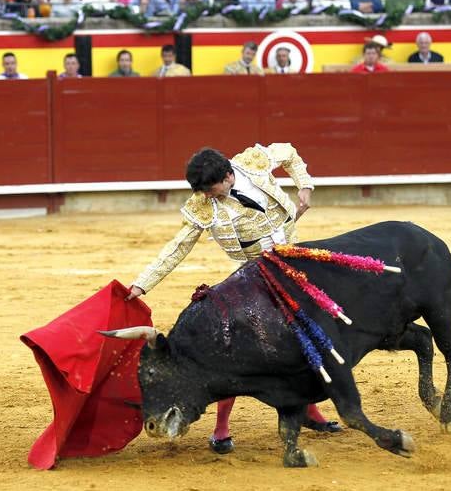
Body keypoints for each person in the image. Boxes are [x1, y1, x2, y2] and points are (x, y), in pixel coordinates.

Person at [125, 144, 341, 454]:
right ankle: (221, 427)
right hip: (252, 273)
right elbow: (177, 247)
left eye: (213, 190)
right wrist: (142, 285)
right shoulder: (203, 204)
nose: (209, 197)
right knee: (234, 347)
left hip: (290, 259)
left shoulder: (253, 162)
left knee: (308, 332)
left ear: (229, 176)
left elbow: (289, 153)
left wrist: (305, 186)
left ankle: (308, 410)